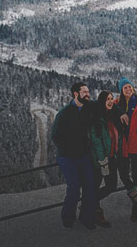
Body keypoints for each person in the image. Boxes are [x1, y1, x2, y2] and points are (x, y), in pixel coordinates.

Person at [51, 82, 97, 230]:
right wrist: (69, 149)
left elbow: (105, 105)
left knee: (90, 186)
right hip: (67, 156)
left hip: (84, 155)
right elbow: (55, 136)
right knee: (74, 187)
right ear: (76, 94)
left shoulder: (88, 109)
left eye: (88, 91)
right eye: (84, 92)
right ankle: (68, 217)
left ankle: (87, 217)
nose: (88, 94)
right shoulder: (64, 113)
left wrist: (120, 112)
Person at [115, 77, 137, 221]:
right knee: (123, 174)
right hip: (123, 146)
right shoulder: (117, 104)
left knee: (135, 177)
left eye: (130, 87)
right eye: (125, 88)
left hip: (136, 146)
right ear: (121, 91)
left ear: (133, 88)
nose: (128, 90)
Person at [88, 91, 121, 228]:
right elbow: (96, 140)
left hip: (112, 157)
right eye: (107, 99)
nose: (110, 101)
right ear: (101, 101)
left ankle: (88, 203)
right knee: (96, 184)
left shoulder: (111, 115)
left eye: (112, 99)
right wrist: (103, 160)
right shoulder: (96, 117)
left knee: (111, 185)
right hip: (100, 160)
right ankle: (95, 212)